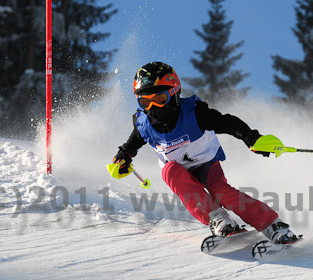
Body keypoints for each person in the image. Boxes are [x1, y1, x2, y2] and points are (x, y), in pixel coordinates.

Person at [111, 61, 298, 245]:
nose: (153, 108)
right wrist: (123, 157)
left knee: (221, 192)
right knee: (170, 171)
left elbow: (227, 123)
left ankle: (274, 226)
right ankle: (219, 219)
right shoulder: (143, 124)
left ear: (174, 94)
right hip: (178, 171)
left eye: (160, 100)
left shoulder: (194, 113)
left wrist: (252, 139)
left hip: (207, 164)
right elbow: (131, 144)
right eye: (145, 101)